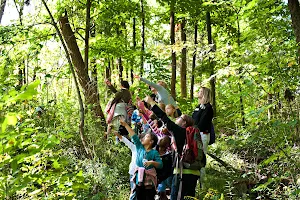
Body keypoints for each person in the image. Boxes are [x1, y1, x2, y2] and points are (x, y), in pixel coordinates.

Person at [144, 96, 202, 200]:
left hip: (181, 175)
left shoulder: (180, 132)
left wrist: (152, 103)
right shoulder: (192, 135)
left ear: (184, 123)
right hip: (194, 174)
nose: (177, 119)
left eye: (179, 118)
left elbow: (164, 118)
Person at [120, 117, 163, 200]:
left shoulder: (154, 153)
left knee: (149, 196)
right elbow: (133, 135)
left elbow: (160, 164)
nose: (143, 138)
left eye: (146, 137)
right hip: (139, 179)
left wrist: (152, 163)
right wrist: (125, 124)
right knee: (139, 196)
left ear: (151, 142)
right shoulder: (139, 148)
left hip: (149, 180)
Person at [112, 125, 138, 200]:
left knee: (137, 192)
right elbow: (125, 140)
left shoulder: (147, 151)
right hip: (133, 173)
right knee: (133, 191)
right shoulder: (134, 148)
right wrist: (117, 134)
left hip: (141, 175)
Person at [191, 87, 213, 154]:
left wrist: (195, 130)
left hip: (202, 134)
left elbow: (203, 122)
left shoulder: (208, 108)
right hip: (195, 133)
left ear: (205, 94)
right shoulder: (198, 107)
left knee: (201, 155)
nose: (198, 92)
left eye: (200, 91)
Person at [156, 136, 173, 200]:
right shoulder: (155, 153)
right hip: (160, 176)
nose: (160, 149)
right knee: (161, 187)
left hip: (166, 176)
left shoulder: (168, 156)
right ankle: (161, 195)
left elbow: (168, 170)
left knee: (167, 181)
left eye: (162, 148)